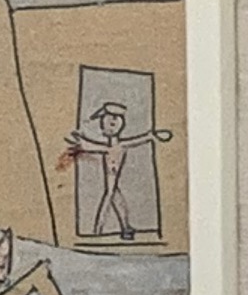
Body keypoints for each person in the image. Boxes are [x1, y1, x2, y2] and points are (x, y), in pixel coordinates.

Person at [64, 99, 173, 241]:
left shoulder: (117, 146)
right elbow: (94, 146)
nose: (106, 126)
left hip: (113, 172)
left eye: (112, 122)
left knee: (109, 195)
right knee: (115, 195)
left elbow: (96, 147)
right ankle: (125, 227)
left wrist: (150, 136)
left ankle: (97, 230)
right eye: (106, 122)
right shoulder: (113, 146)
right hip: (111, 171)